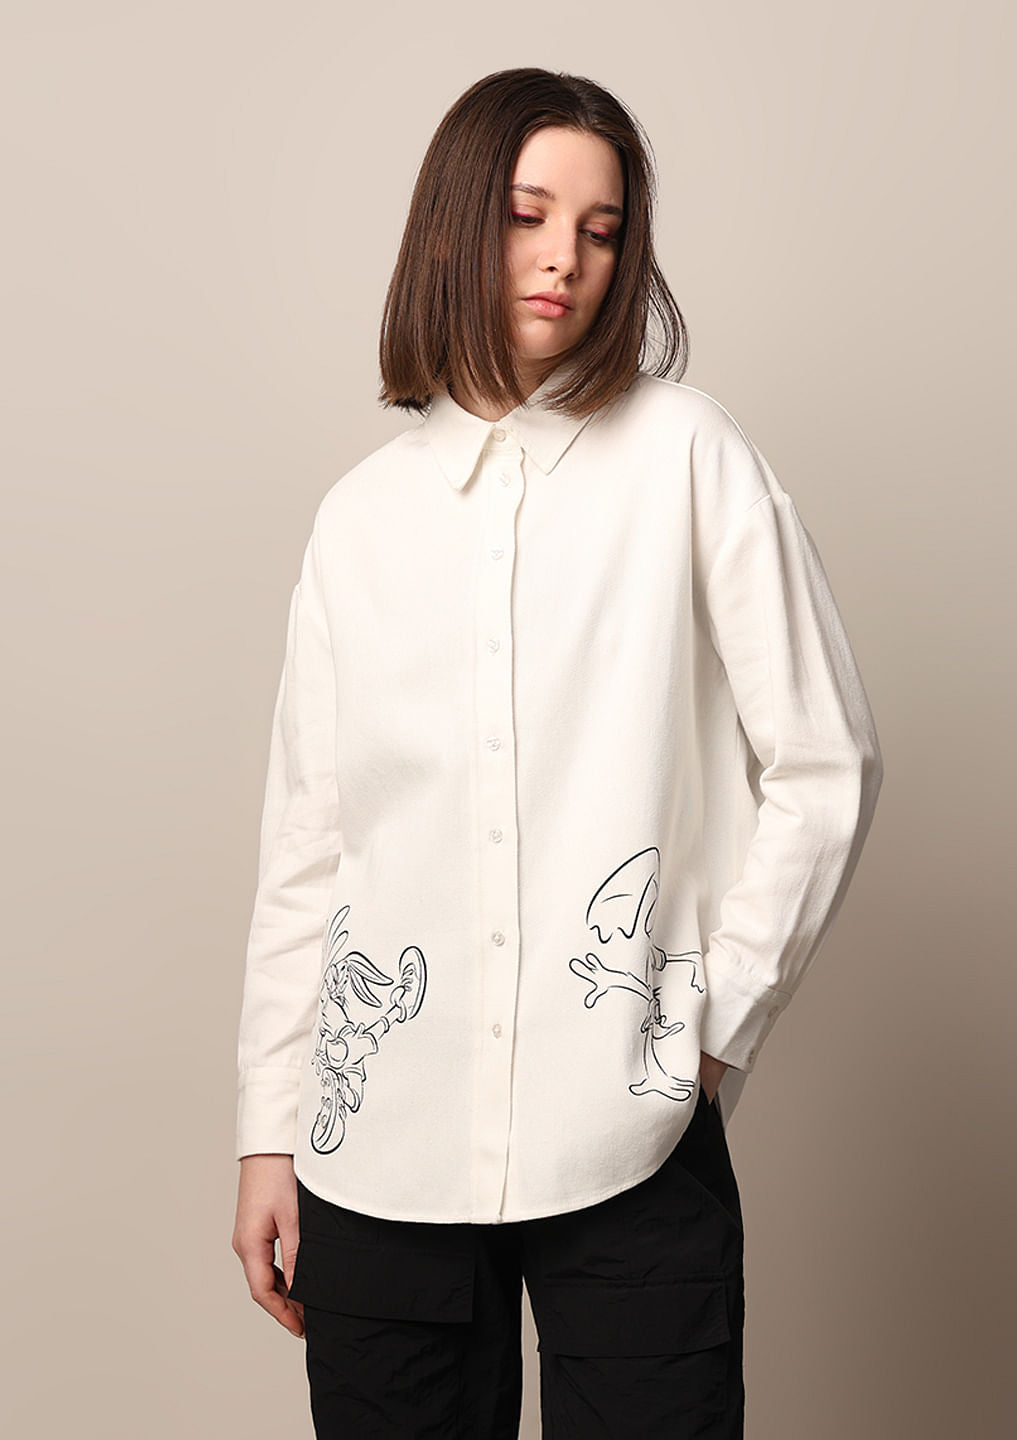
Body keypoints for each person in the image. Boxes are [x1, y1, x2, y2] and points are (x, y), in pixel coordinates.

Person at [231, 67, 884, 1439]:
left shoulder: (688, 455)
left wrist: (713, 1031)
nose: (563, 260)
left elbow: (826, 764)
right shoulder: (359, 520)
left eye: (600, 229)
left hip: (631, 1142)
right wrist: (267, 1131)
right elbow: (312, 848)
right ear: (456, 222)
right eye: (529, 215)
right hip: (380, 1151)